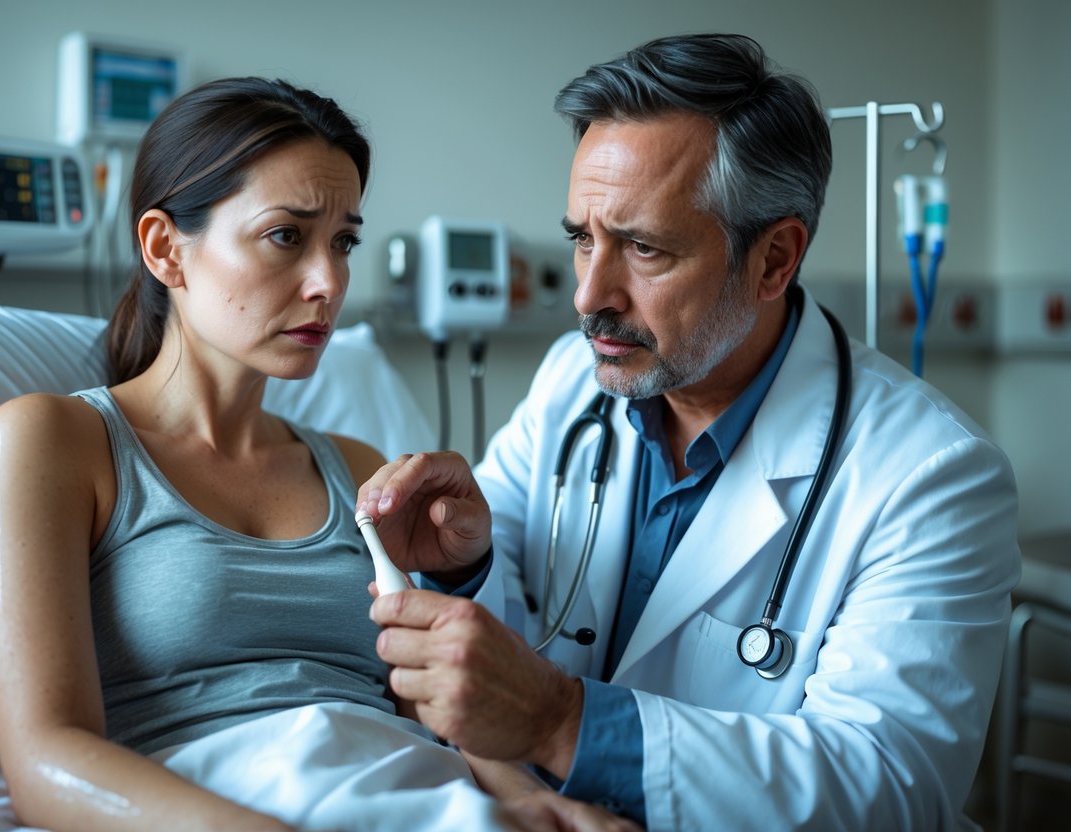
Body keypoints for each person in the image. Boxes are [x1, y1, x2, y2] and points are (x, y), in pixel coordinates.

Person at [358, 33, 1022, 830]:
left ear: (773, 260)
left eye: (642, 248)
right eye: (581, 239)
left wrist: (565, 723)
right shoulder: (573, 386)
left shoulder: (930, 475)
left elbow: (890, 790)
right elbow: (510, 614)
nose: (587, 295)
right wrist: (466, 563)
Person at [0, 76, 635, 832]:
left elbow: (428, 701)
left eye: (343, 242)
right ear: (165, 250)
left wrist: (537, 803)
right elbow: (47, 761)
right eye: (286, 235)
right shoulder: (55, 442)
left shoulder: (354, 469)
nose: (329, 282)